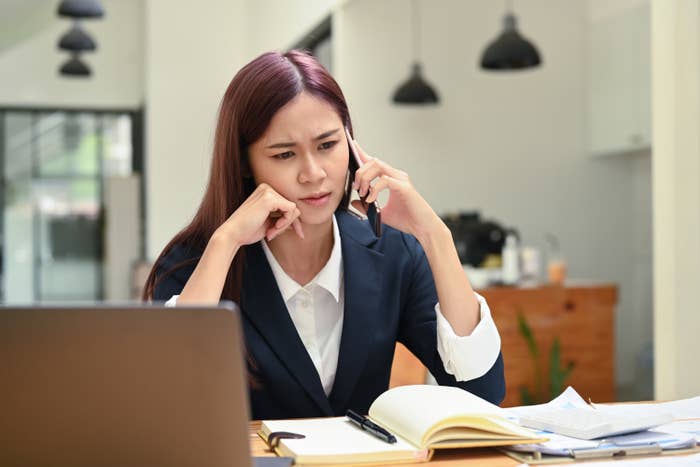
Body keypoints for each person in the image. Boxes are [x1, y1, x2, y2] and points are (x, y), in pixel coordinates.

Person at [143, 50, 505, 420]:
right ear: (244, 163)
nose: (313, 173)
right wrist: (224, 243)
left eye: (328, 145)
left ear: (350, 144)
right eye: (285, 155)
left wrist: (435, 236)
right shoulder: (197, 261)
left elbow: (480, 393)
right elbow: (167, 403)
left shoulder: (392, 252)